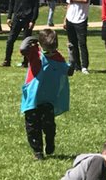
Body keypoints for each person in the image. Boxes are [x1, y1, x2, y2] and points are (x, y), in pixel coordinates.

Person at [18, 28, 70, 161]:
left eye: (53, 50)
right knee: (32, 127)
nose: (50, 54)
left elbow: (68, 71)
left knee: (49, 125)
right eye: (47, 51)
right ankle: (38, 151)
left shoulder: (57, 57)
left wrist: (72, 54)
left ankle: (50, 141)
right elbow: (23, 49)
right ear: (40, 46)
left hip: (48, 99)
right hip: (33, 99)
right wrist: (31, 39)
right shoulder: (35, 54)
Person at [2, 0, 39, 67]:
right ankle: (7, 61)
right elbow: (11, 3)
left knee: (26, 42)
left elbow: (35, 6)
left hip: (28, 19)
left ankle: (25, 62)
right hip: (17, 18)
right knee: (10, 40)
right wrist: (9, 17)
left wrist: (33, 20)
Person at [63, 0, 91, 73]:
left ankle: (84, 66)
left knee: (82, 43)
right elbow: (68, 3)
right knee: (72, 43)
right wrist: (65, 19)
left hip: (81, 18)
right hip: (70, 18)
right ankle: (76, 65)